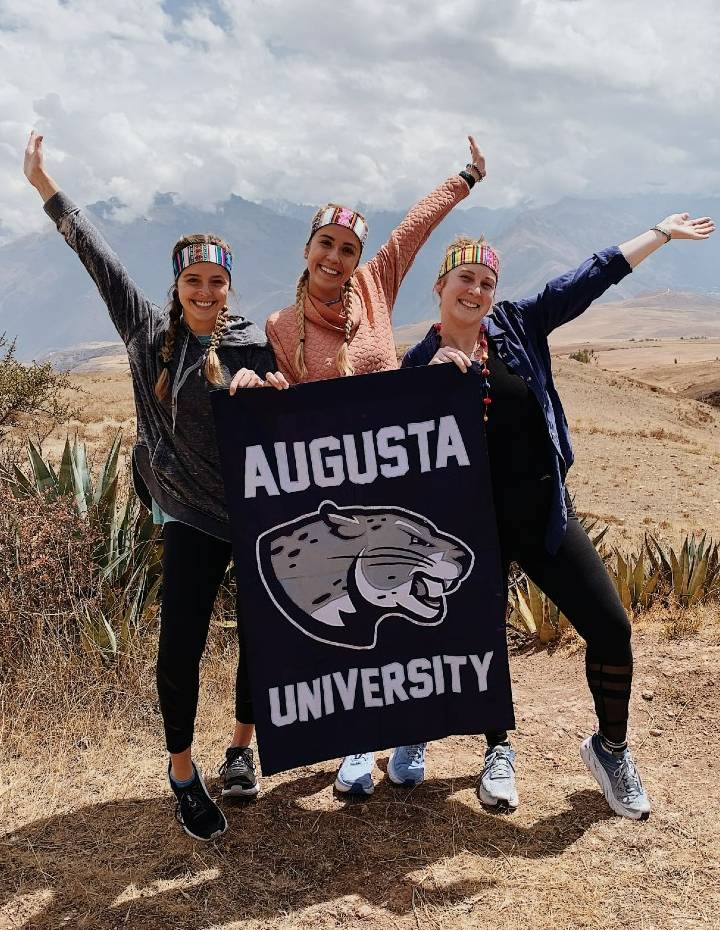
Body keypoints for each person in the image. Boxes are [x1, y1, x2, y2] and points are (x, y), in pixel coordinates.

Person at [401, 211, 715, 820]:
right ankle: (497, 749)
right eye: (465, 279)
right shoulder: (417, 364)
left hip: (544, 516)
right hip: (470, 533)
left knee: (612, 628)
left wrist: (660, 233)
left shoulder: (519, 325)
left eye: (486, 283)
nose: (477, 292)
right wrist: (427, 389)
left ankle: (610, 749)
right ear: (439, 287)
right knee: (480, 643)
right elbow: (388, 451)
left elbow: (590, 277)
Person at [24, 130, 282, 843]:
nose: (205, 291)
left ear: (229, 288)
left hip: (255, 516)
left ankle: (240, 750)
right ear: (177, 287)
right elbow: (98, 261)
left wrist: (273, 388)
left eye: (216, 281)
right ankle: (181, 771)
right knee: (180, 649)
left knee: (263, 638)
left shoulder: (251, 345)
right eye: (193, 280)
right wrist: (47, 189)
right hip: (193, 518)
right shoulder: (149, 340)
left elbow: (295, 416)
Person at [250, 137, 487, 794]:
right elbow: (284, 408)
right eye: (325, 243)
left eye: (347, 248)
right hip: (338, 494)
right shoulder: (278, 325)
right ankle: (354, 744)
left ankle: (410, 736)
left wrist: (464, 178)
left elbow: (415, 228)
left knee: (415, 606)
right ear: (307, 250)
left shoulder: (377, 286)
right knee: (351, 617)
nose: (335, 257)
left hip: (404, 476)